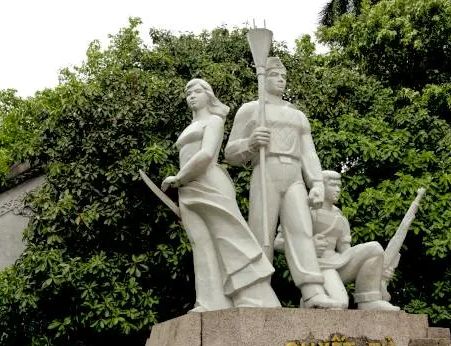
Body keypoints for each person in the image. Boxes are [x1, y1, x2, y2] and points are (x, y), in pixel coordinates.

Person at [224, 57, 340, 309]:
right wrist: (250, 143)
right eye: (276, 75)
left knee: (302, 230)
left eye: (284, 76)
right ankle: (256, 288)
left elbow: (309, 152)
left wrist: (317, 183)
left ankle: (311, 291)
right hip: (265, 170)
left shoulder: (297, 115)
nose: (281, 80)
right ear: (264, 78)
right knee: (261, 232)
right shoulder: (250, 110)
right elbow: (230, 153)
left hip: (294, 174)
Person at [161, 78, 280, 312]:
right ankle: (209, 301)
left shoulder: (214, 121)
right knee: (200, 244)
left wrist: (180, 177)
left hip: (209, 184)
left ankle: (254, 295)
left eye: (197, 91)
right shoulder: (190, 127)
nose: (191, 96)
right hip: (187, 189)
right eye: (188, 93)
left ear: (209, 95)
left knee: (229, 239)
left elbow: (206, 155)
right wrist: (182, 181)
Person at [275, 171, 399, 310]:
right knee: (340, 304)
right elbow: (278, 243)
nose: (338, 189)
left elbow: (346, 252)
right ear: (321, 186)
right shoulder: (304, 212)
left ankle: (368, 300)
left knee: (374, 248)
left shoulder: (340, 218)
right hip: (319, 267)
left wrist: (379, 270)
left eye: (339, 186)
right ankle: (310, 299)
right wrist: (309, 247)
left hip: (339, 263)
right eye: (333, 185)